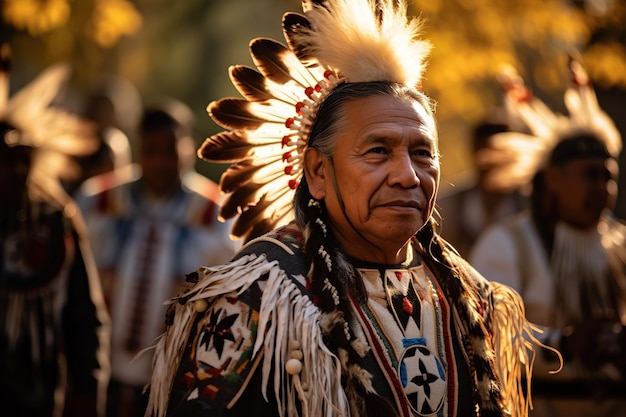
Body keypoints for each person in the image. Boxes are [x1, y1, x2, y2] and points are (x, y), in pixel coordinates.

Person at [144, 1, 546, 417]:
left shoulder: (467, 297)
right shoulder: (258, 300)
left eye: (423, 153)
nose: (408, 176)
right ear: (318, 171)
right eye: (378, 151)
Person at [469, 58, 626, 417]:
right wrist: (564, 344)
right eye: (590, 175)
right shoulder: (506, 244)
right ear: (552, 179)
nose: (602, 189)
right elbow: (483, 336)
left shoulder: (621, 244)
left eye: (609, 177)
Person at [76, 98, 240, 417]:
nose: (162, 162)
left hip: (174, 375)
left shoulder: (218, 214)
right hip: (96, 367)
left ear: (189, 148)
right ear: (139, 149)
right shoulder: (96, 201)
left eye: (171, 151)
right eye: (151, 151)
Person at [0, 46, 111, 417]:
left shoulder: (54, 219)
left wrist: (87, 388)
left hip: (36, 392)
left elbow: (84, 315)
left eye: (23, 159)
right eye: (5, 159)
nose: (15, 170)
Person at [437, 111, 528, 257]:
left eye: (499, 154)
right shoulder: (445, 207)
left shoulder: (531, 206)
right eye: (483, 152)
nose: (488, 161)